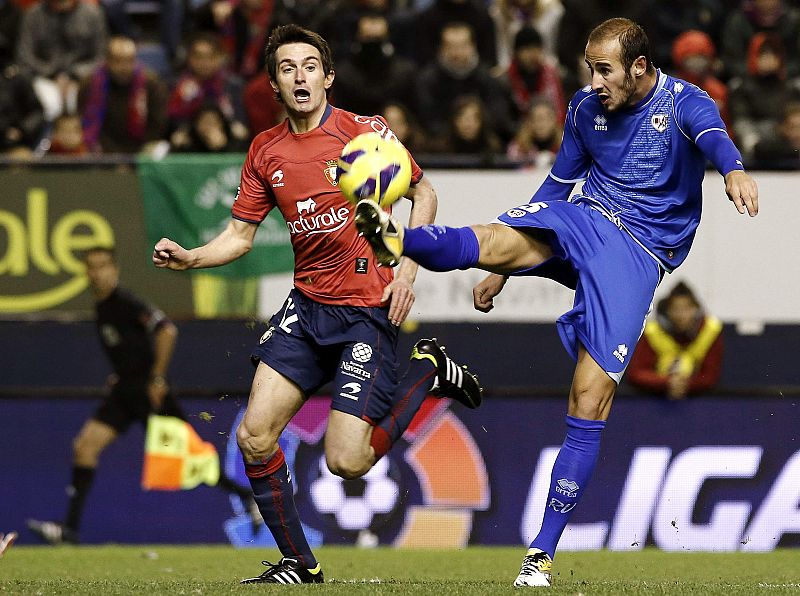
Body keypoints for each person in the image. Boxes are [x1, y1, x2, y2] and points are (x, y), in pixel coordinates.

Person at [354, 17, 758, 587]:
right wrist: (506, 267)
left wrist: (734, 171)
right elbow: (556, 185)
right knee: (494, 239)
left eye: (604, 70)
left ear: (639, 67)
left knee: (589, 398)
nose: (593, 81)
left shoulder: (684, 102)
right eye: (589, 68)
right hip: (587, 217)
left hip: (637, 254)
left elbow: (716, 139)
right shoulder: (584, 108)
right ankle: (396, 238)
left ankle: (540, 553)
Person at [152, 24, 482, 585]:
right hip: (306, 310)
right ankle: (299, 565)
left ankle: (426, 371)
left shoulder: (364, 133)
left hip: (366, 313)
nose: (299, 75)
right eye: (287, 68)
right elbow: (240, 235)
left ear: (327, 77)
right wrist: (192, 258)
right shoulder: (265, 150)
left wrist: (406, 271)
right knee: (254, 435)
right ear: (276, 85)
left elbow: (422, 192)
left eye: (310, 65)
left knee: (346, 462)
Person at [27, 246, 258, 545]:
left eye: (104, 266)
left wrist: (157, 378)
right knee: (84, 447)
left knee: (190, 460)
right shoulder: (103, 307)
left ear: (115, 270)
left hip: (149, 393)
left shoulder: (124, 302)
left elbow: (166, 330)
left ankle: (249, 497)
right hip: (125, 390)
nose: (98, 273)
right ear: (86, 272)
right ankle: (68, 530)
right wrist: (122, 374)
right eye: (92, 267)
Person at [627, 281, 723, 400]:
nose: (681, 315)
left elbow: (710, 376)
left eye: (687, 308)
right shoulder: (652, 332)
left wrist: (686, 384)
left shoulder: (710, 331)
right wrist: (667, 382)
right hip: (655, 402)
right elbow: (636, 373)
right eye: (676, 309)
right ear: (667, 311)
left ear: (696, 309)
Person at [79, 36, 169, 154]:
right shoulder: (90, 84)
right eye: (118, 61)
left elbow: (158, 123)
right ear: (107, 61)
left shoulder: (151, 84)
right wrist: (112, 155)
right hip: (103, 149)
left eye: (129, 60)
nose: (124, 67)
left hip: (143, 146)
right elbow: (86, 122)